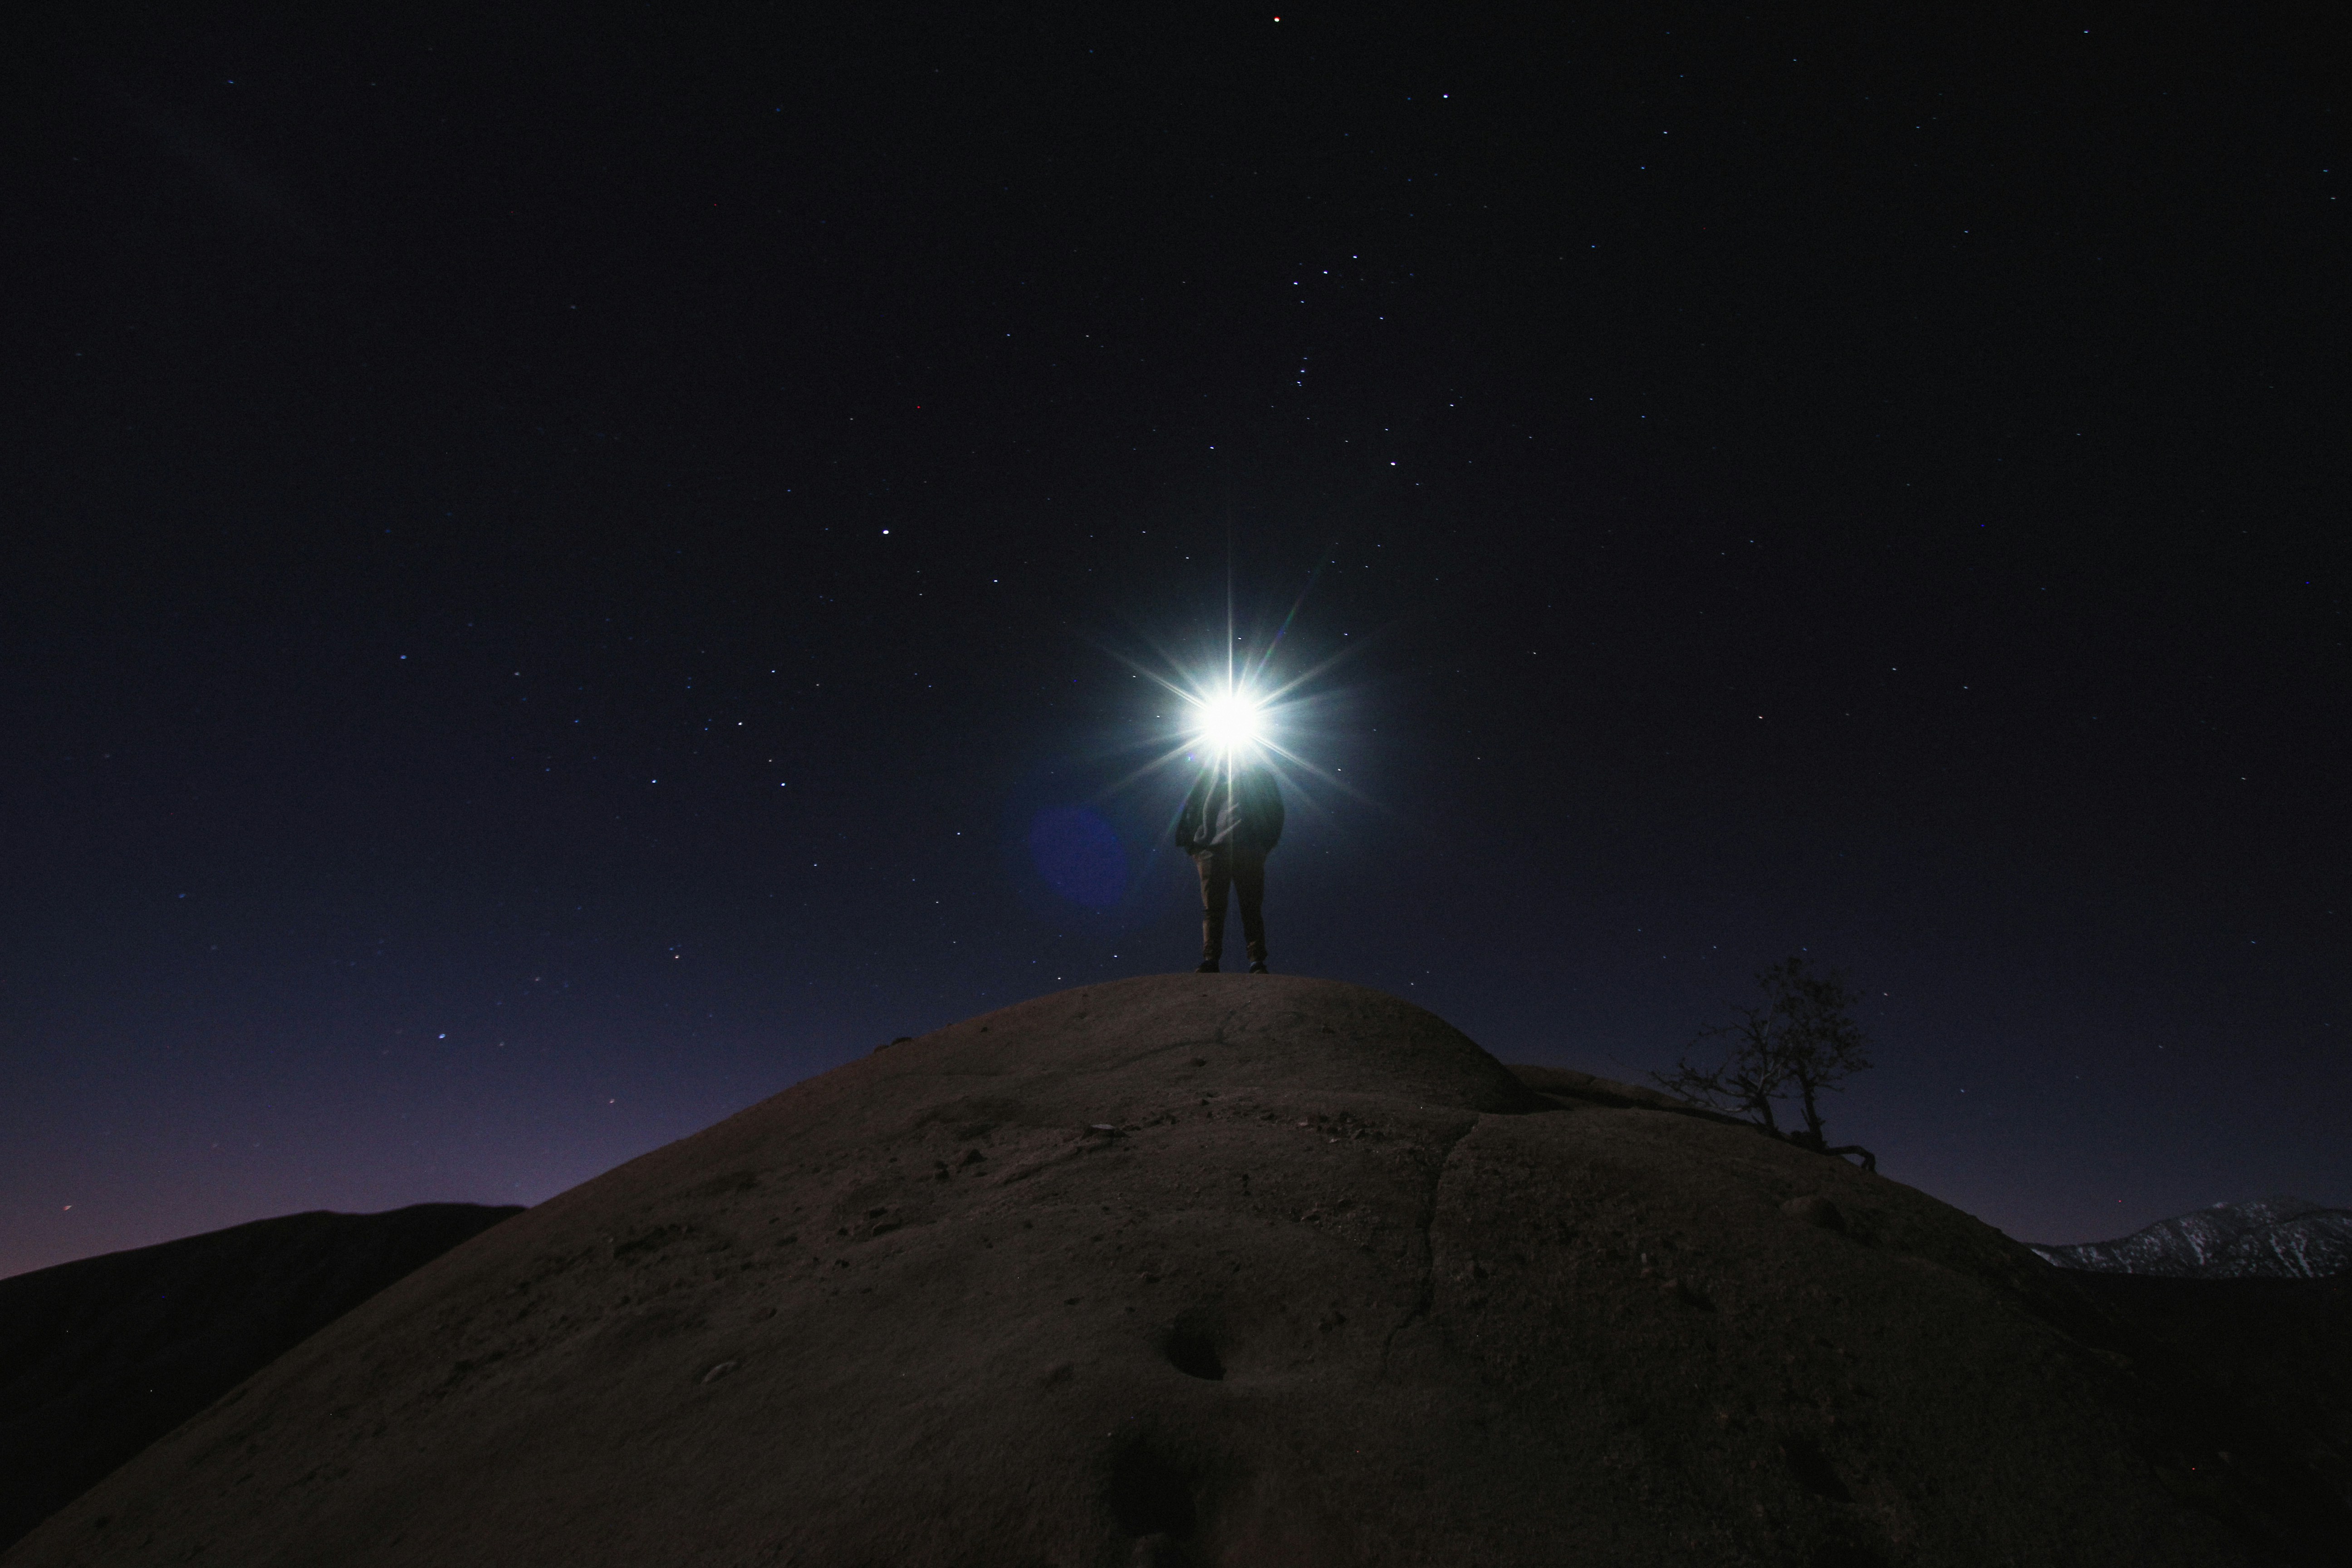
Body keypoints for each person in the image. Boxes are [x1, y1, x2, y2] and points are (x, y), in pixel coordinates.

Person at [1172, 751, 1284, 973]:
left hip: (1248, 849)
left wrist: (1263, 846)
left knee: (1251, 907)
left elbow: (1275, 810)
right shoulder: (1206, 778)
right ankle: (1211, 960)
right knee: (1213, 909)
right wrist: (1195, 847)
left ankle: (1256, 961)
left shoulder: (1260, 777)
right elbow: (1190, 809)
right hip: (1211, 851)